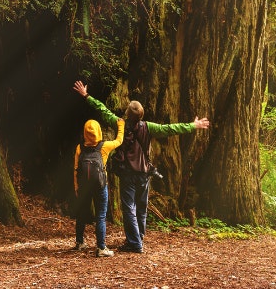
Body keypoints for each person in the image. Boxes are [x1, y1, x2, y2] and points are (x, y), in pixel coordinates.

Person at [73, 80, 210, 254]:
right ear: (141, 114)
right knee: (141, 207)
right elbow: (170, 128)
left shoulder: (119, 123)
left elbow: (103, 110)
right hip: (144, 172)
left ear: (127, 113)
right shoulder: (148, 127)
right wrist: (193, 125)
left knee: (129, 208)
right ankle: (138, 238)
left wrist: (86, 96)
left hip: (128, 174)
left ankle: (135, 243)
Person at [72, 112, 124, 257]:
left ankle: (79, 242)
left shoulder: (79, 148)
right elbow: (119, 140)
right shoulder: (104, 147)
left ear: (85, 133)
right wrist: (121, 125)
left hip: (84, 187)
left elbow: (76, 169)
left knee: (81, 214)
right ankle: (101, 248)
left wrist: (76, 186)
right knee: (101, 216)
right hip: (100, 186)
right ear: (99, 131)